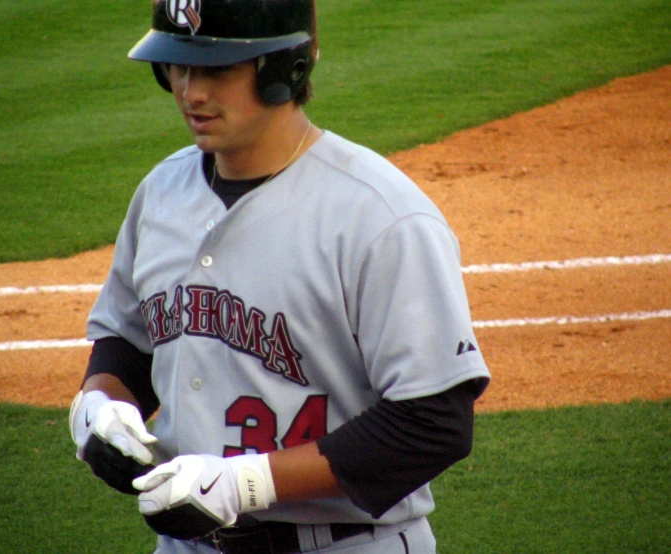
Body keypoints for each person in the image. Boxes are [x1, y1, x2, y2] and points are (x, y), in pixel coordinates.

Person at [68, 1, 491, 553]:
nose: (191, 92)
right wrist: (101, 406)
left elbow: (433, 422)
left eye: (216, 70)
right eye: (177, 65)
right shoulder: (161, 192)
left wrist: (247, 484)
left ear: (283, 68)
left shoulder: (380, 217)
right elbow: (131, 342)